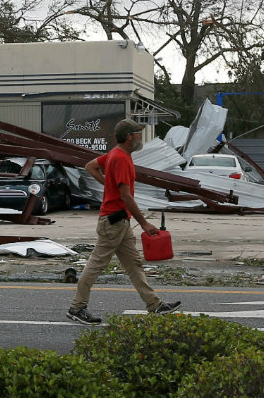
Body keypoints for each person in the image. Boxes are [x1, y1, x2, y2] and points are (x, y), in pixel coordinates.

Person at [68, 119, 181, 324]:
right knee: (96, 264)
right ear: (129, 137)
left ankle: (154, 304)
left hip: (120, 221)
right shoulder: (120, 158)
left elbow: (91, 166)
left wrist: (108, 185)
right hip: (113, 221)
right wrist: (145, 223)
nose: (140, 136)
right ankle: (77, 308)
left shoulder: (115, 154)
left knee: (133, 264)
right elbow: (126, 196)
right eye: (138, 133)